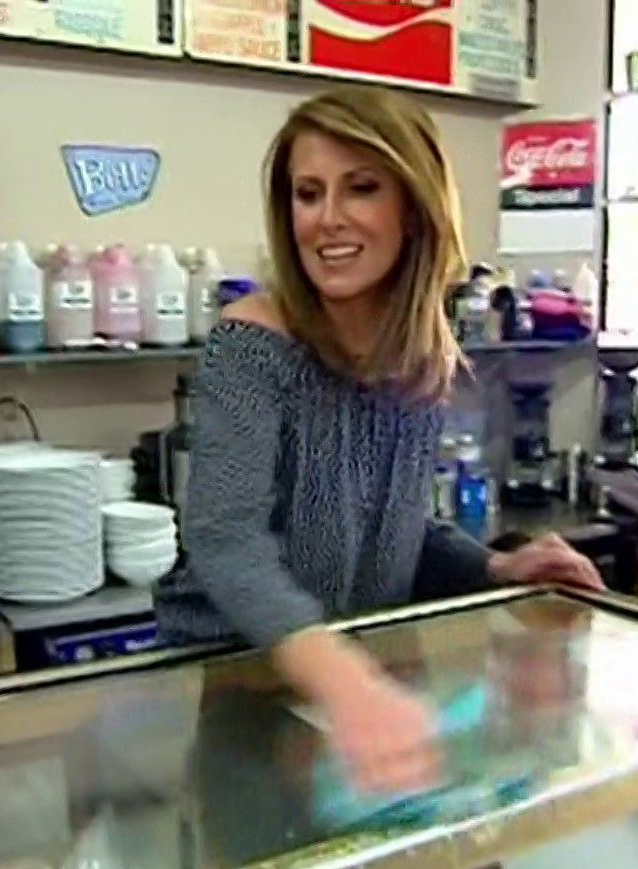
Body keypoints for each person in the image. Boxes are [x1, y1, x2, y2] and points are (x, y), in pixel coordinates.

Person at [153, 86, 600, 796]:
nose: (327, 218)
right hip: (246, 695)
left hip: (364, 691)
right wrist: (346, 682)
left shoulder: (417, 356)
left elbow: (399, 524)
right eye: (308, 194)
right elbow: (225, 540)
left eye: (360, 188)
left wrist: (495, 569)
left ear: (413, 208)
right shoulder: (252, 342)